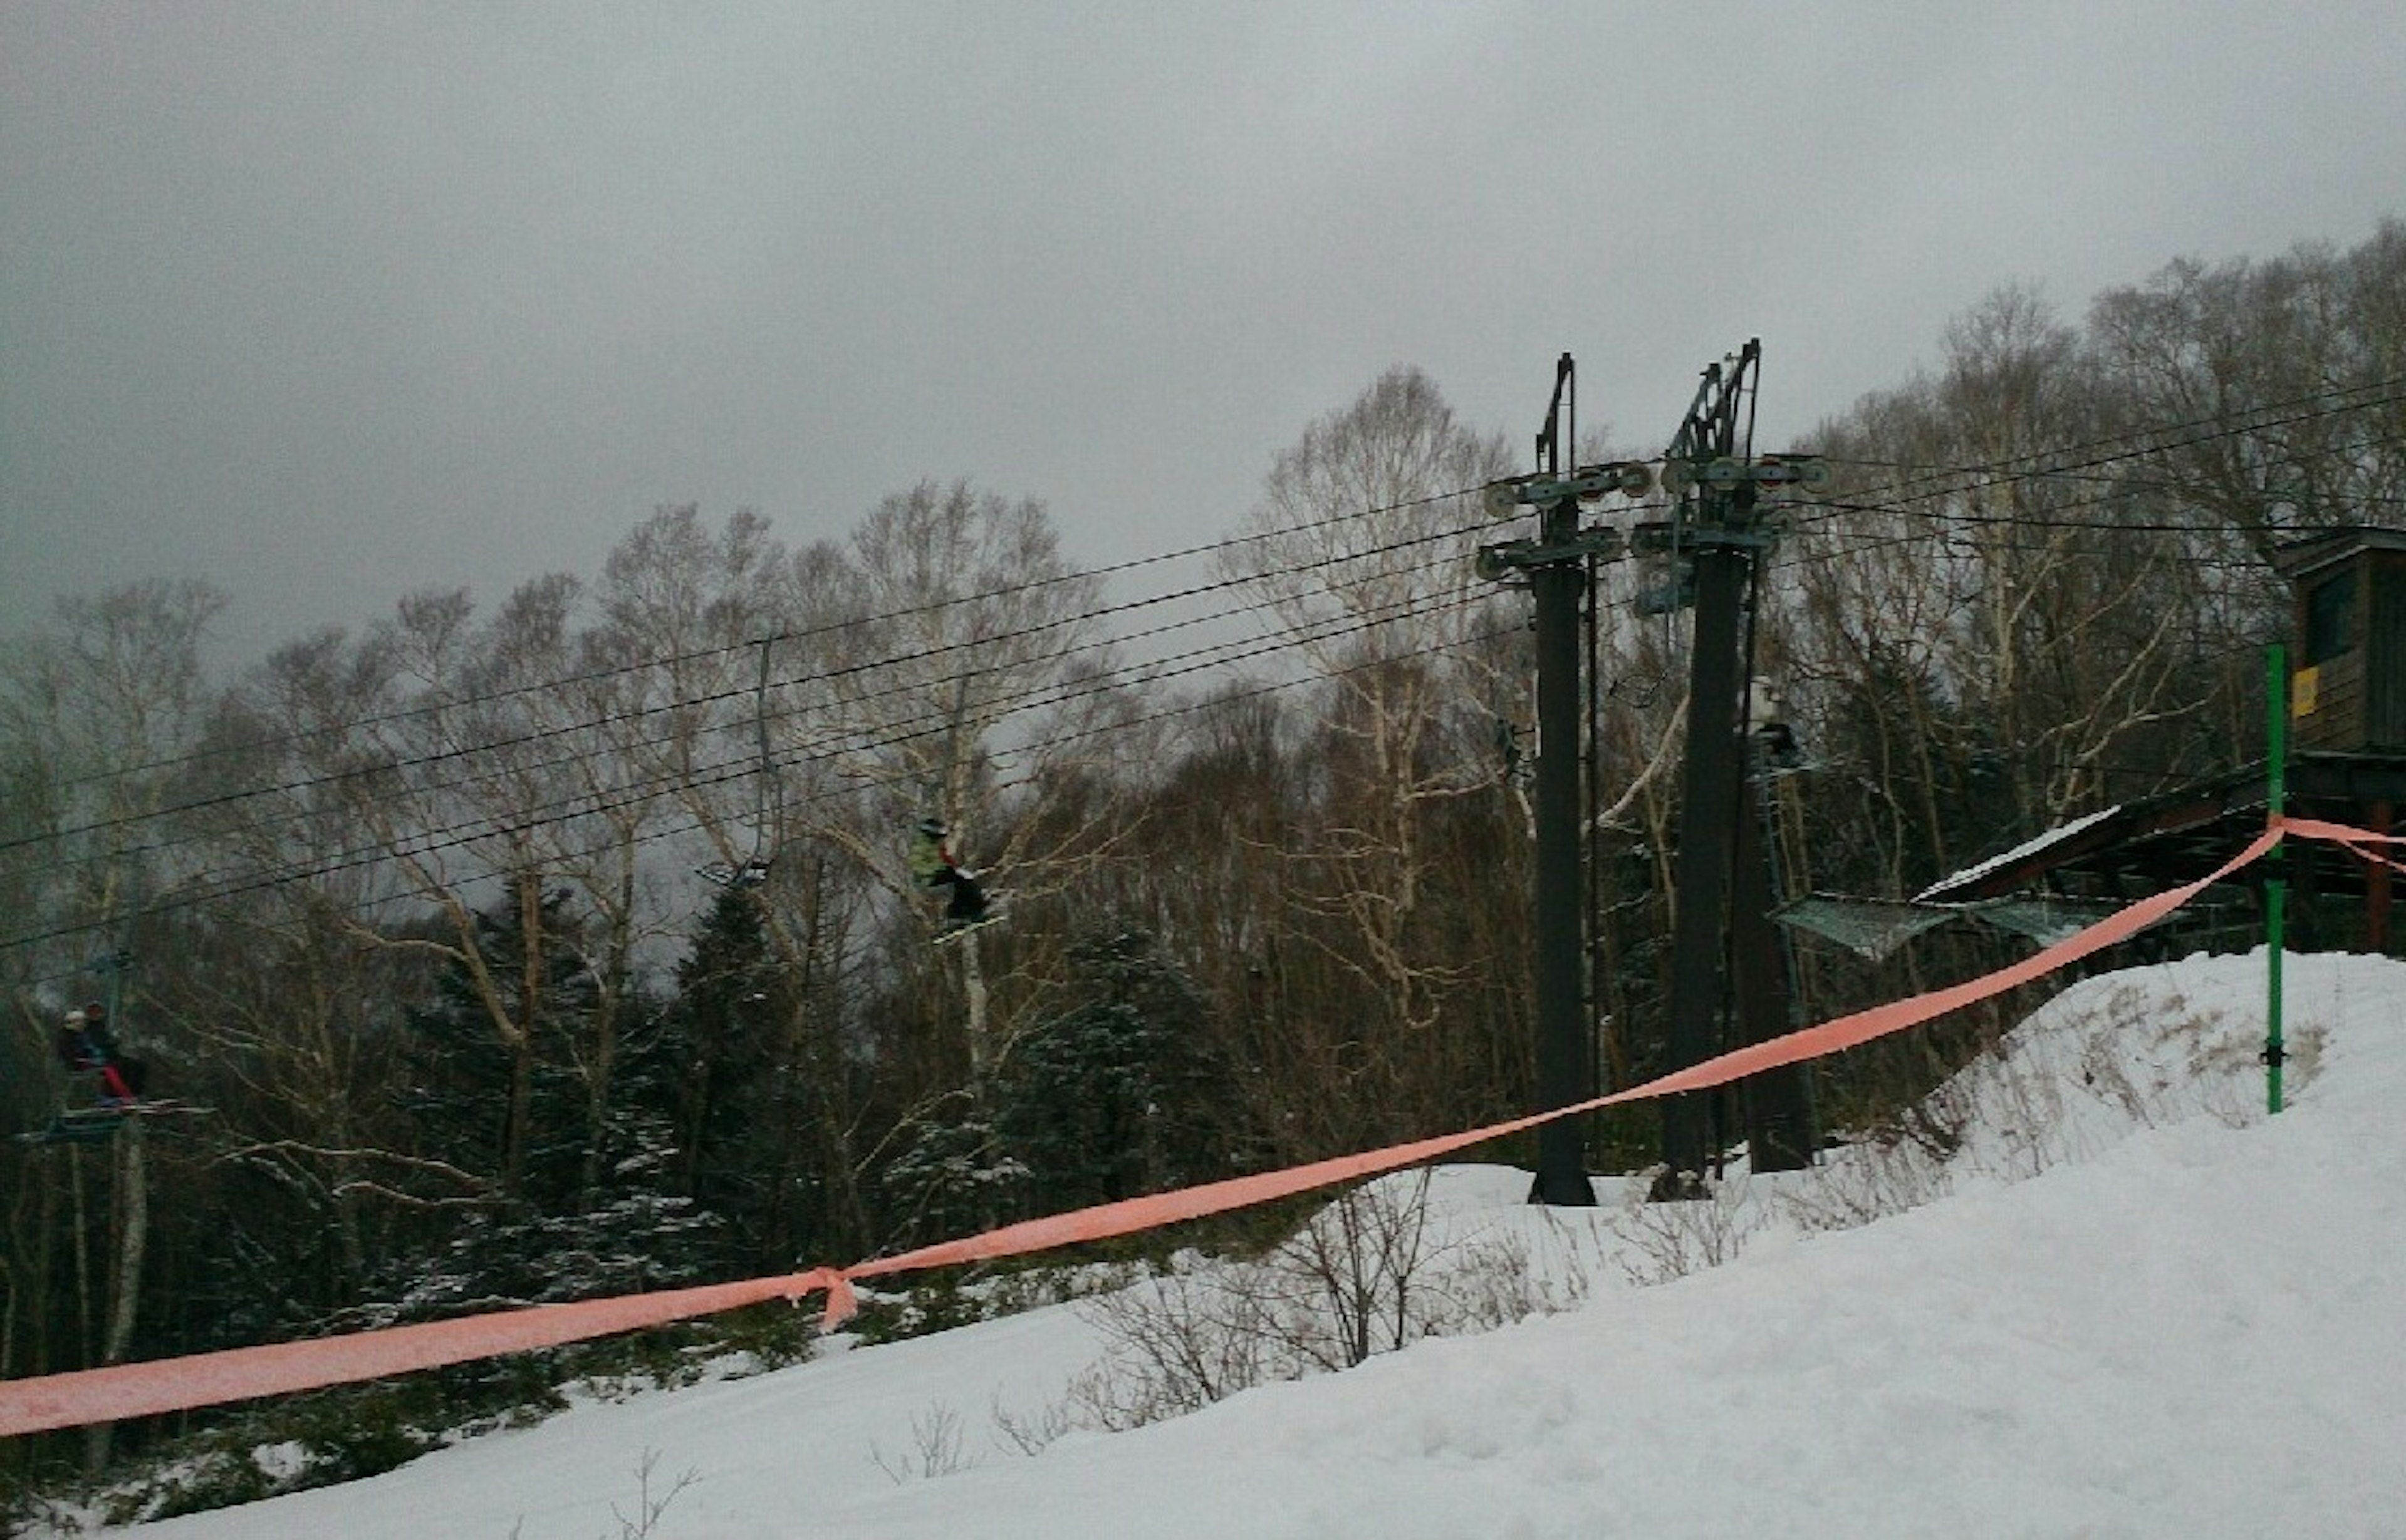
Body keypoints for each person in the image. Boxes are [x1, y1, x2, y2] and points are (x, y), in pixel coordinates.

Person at [908, 816, 991, 932]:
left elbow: (945, 859)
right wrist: (940, 869)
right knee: (957, 882)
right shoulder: (920, 846)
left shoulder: (936, 845)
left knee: (965, 881)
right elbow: (918, 866)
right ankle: (956, 916)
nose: (941, 839)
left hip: (940, 875)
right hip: (927, 879)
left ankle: (976, 908)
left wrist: (954, 867)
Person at [55, 1001, 146, 1105]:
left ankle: (135, 1094)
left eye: (82, 1022)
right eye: (77, 1022)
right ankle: (120, 1096)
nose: (80, 1024)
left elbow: (100, 1044)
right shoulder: (67, 1037)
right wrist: (85, 1060)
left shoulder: (87, 1033)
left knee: (135, 1065)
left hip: (99, 1060)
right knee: (112, 1069)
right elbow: (70, 1054)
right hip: (82, 1063)